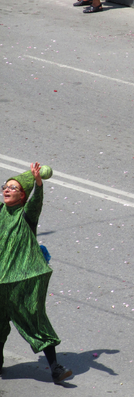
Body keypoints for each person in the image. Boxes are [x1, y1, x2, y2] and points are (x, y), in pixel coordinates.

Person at [0, 164, 73, 384]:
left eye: (13, 187)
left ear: (22, 196)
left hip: (22, 283)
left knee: (36, 322)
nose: (6, 189)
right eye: (5, 186)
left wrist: (38, 184)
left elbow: (36, 204)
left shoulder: (26, 215)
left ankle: (56, 368)